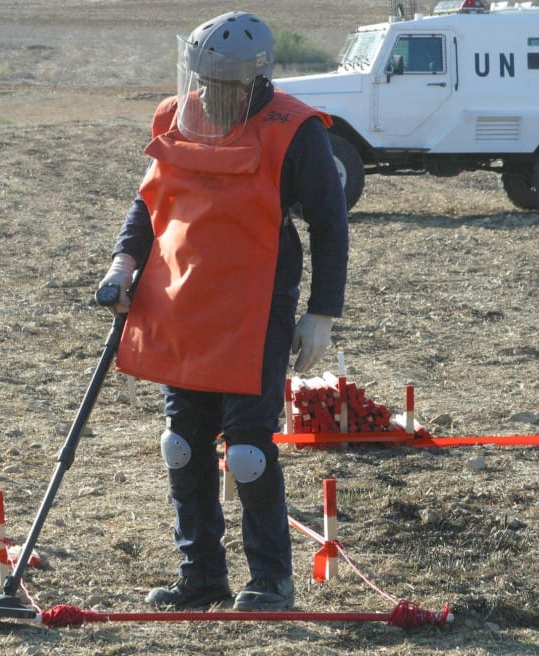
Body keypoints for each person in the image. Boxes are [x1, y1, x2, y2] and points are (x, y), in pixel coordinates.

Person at [97, 10, 348, 612]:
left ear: (258, 81)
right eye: (206, 83)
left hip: (256, 306)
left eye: (226, 86)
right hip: (182, 302)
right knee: (181, 444)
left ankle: (269, 583)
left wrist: (321, 312)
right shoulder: (176, 118)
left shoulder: (296, 130)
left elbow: (330, 224)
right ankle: (201, 576)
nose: (213, 96)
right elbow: (150, 202)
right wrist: (121, 266)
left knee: (247, 449)